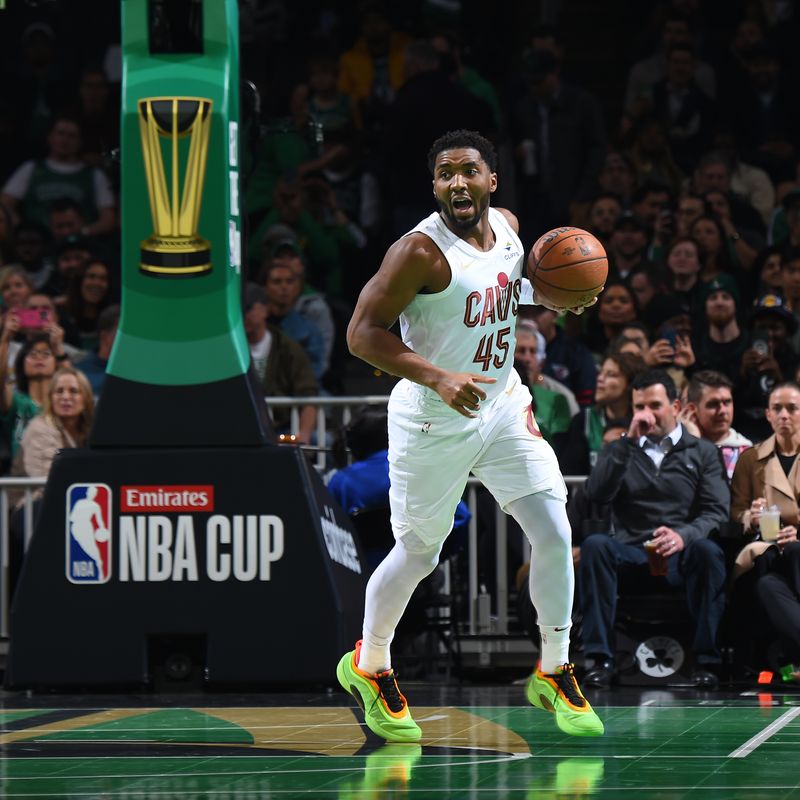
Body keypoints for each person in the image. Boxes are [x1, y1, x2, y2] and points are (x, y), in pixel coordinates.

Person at [337, 129, 604, 742]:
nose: (458, 182)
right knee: (420, 553)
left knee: (554, 530)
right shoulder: (418, 253)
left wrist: (558, 294)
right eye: (445, 173)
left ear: (491, 181)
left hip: (503, 403)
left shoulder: (509, 230)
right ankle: (369, 664)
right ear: (435, 187)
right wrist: (437, 375)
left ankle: (554, 668)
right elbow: (362, 333)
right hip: (433, 415)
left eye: (469, 170)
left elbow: (507, 287)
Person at [580, 369, 729, 689]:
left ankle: (707, 661)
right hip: (633, 552)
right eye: (639, 407)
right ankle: (599, 660)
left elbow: (716, 512)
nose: (645, 414)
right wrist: (626, 445)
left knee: (708, 550)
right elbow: (597, 494)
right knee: (596, 545)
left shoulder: (703, 452)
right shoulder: (618, 450)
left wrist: (682, 536)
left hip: (682, 555)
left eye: (655, 405)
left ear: (676, 407)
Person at [557, 351, 646, 476]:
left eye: (611, 375)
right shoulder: (584, 420)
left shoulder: (645, 421)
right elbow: (571, 473)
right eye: (601, 373)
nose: (600, 379)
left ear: (630, 384)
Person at [680, 370, 752, 479]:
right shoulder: (677, 450)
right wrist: (693, 442)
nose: (722, 410)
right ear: (692, 409)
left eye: (727, 402)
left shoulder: (748, 453)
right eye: (713, 404)